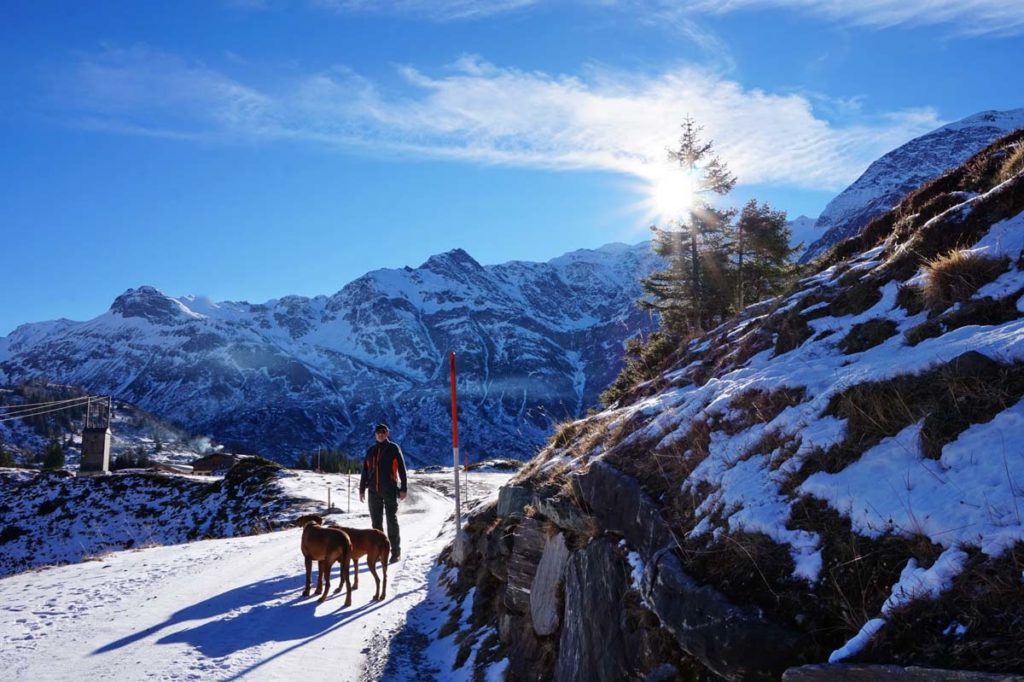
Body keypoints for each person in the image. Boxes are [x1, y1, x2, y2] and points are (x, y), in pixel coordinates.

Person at [359, 423, 408, 563]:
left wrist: (403, 487)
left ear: (387, 434)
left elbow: (402, 469)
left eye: (383, 431)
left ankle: (395, 552)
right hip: (373, 491)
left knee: (391, 520)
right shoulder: (371, 451)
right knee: (376, 524)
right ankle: (379, 552)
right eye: (378, 432)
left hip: (390, 490)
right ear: (375, 434)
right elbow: (365, 471)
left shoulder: (393, 448)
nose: (380, 434)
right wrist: (362, 489)